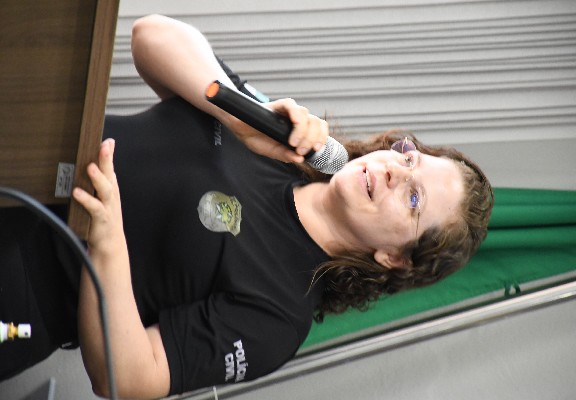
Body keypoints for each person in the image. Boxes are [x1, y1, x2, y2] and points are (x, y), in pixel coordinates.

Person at [0, 15, 493, 399]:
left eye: (413, 198)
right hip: (20, 152)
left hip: (20, 288)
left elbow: (126, 377)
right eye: (409, 156)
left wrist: (107, 242)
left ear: (395, 258)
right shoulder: (279, 139)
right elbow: (150, 37)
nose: (394, 171)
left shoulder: (280, 318)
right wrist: (239, 112)